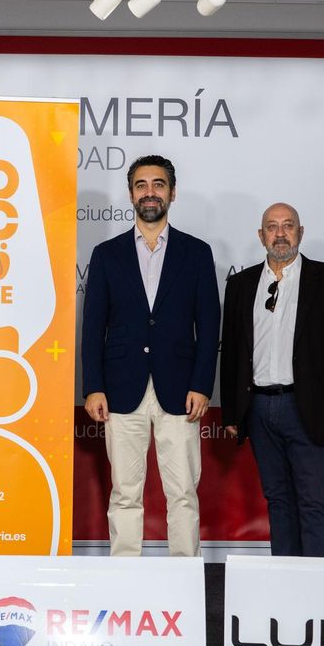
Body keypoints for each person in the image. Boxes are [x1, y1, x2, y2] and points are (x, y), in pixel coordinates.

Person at [81, 155, 220, 557]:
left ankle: (184, 575)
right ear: (131, 195)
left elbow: (209, 325)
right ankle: (127, 578)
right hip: (121, 389)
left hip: (180, 390)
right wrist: (94, 387)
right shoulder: (106, 254)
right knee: (125, 493)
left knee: (183, 492)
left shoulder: (197, 253)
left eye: (158, 184)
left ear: (172, 193)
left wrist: (202, 385)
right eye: (141, 185)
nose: (150, 192)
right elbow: (93, 328)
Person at [220, 202, 324, 557]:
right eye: (272, 226)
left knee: (313, 501)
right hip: (258, 409)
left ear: (300, 232)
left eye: (288, 225)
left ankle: (320, 584)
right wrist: (232, 412)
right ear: (261, 235)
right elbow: (233, 352)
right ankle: (284, 581)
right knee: (278, 500)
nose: (280, 233)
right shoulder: (240, 285)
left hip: (308, 408)